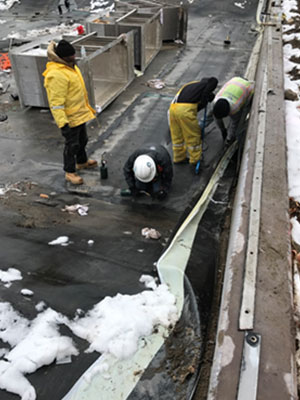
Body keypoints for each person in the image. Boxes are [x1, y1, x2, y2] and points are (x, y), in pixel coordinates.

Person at [43, 40, 97, 185]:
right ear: (62, 57)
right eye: (71, 56)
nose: (74, 57)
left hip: (79, 113)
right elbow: (56, 104)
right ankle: (70, 172)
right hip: (69, 118)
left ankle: (82, 162)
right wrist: (63, 125)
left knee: (82, 141)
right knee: (72, 145)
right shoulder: (56, 75)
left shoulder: (70, 67)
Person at [168, 77, 218, 165]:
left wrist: (210, 98)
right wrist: (204, 103)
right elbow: (203, 100)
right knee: (193, 136)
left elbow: (201, 96)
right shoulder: (206, 86)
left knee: (177, 136)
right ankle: (195, 160)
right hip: (184, 111)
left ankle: (179, 157)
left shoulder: (191, 85)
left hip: (172, 108)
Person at [212, 76, 254, 145]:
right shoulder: (215, 101)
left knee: (241, 116)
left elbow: (234, 124)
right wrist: (222, 130)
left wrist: (229, 139)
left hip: (248, 87)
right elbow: (217, 118)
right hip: (235, 80)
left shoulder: (235, 108)